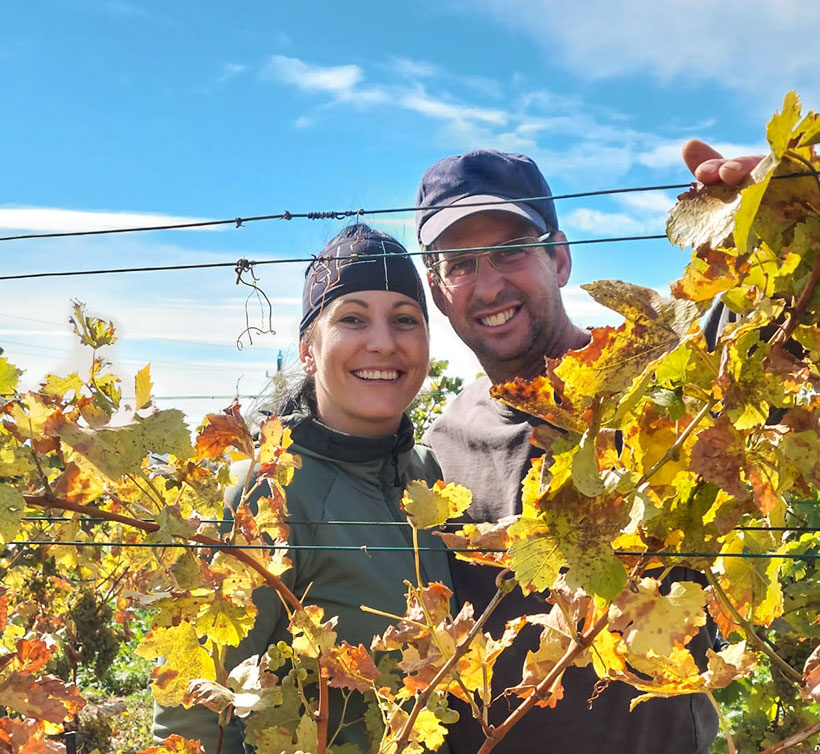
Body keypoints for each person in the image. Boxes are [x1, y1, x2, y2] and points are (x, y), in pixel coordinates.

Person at [415, 145, 760, 754]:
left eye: (509, 251)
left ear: (561, 257)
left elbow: (781, 335)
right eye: (460, 264)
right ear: (440, 293)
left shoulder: (673, 377)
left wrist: (779, 211)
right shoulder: (441, 445)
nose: (488, 284)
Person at [153, 224, 454, 753]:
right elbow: (190, 718)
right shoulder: (260, 492)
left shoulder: (427, 474)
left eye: (405, 320)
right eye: (353, 318)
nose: (383, 342)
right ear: (308, 350)